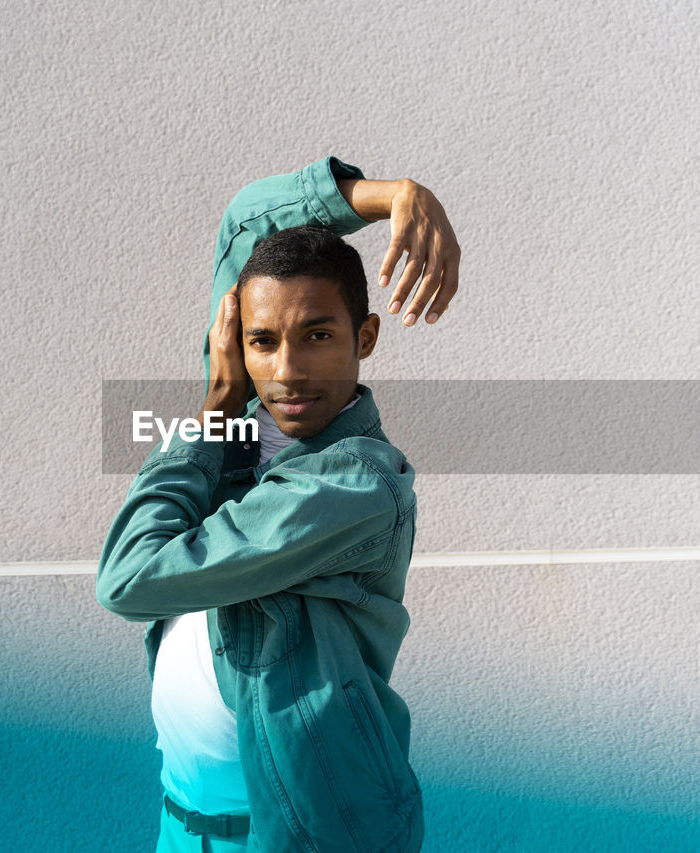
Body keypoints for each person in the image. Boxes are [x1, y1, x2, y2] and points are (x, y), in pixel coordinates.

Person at [97, 156, 459, 852]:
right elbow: (248, 219)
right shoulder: (249, 425)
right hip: (183, 825)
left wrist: (211, 414)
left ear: (366, 338)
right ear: (238, 339)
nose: (287, 369)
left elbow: (130, 577)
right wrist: (393, 196)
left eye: (318, 335)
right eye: (262, 340)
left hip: (293, 838)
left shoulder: (355, 483)